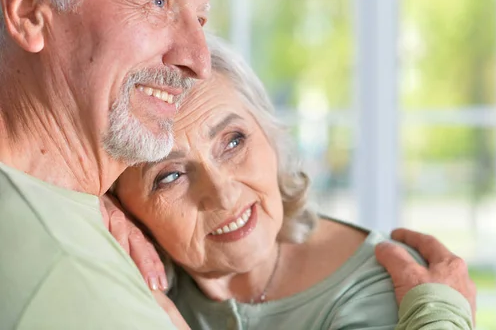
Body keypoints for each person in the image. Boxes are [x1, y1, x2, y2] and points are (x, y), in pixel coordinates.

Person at [110, 35, 475, 329]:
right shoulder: (118, 281)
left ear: (269, 135)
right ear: (125, 208)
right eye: (169, 176)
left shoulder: (387, 288)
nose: (221, 194)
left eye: (233, 141)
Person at [0, 0, 212, 328]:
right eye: (159, 2)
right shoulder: (64, 272)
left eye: (199, 20)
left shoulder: (77, 215)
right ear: (29, 10)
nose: (200, 61)